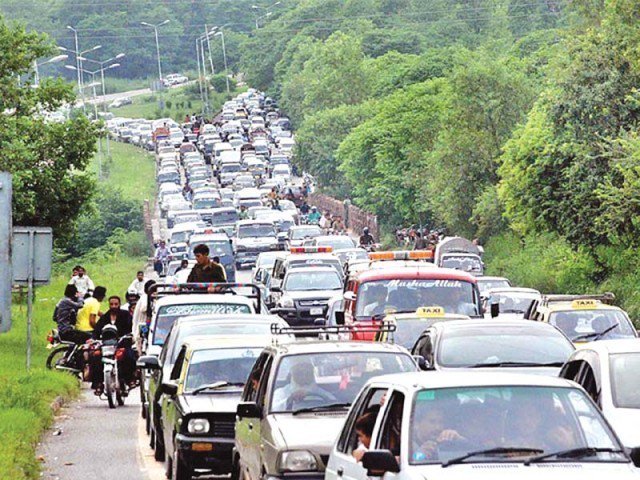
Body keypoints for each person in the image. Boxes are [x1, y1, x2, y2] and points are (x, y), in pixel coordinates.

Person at [92, 296, 135, 392]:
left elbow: (131, 328)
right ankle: (98, 383)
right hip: (106, 345)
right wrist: (93, 339)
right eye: (111, 304)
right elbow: (97, 330)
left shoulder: (126, 315)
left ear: (119, 304)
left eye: (116, 304)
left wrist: (129, 336)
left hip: (122, 343)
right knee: (95, 357)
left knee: (129, 356)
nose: (114, 306)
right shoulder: (105, 317)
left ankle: (129, 379)